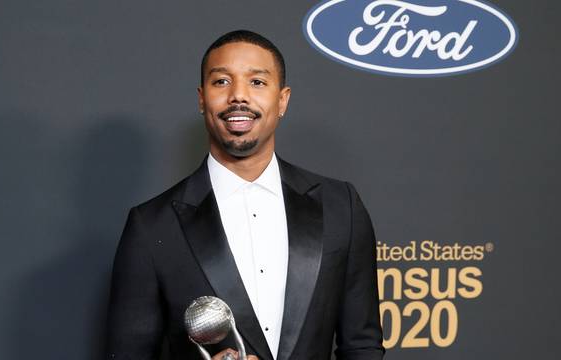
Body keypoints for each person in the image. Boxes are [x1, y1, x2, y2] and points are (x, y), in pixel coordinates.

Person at [105, 30, 384, 360]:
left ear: (282, 100)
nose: (238, 96)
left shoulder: (341, 206)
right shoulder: (152, 226)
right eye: (221, 82)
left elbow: (362, 346)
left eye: (257, 82)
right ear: (201, 98)